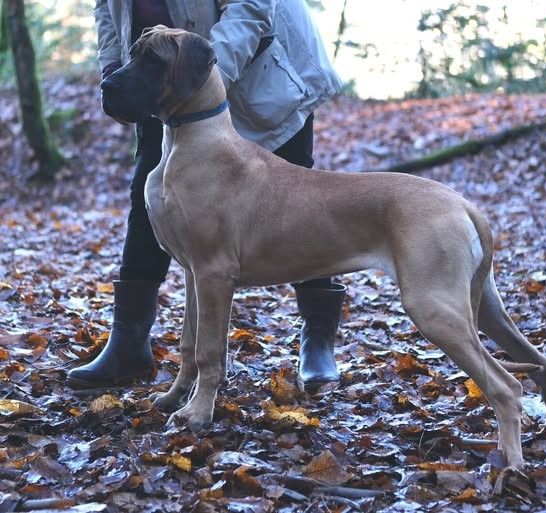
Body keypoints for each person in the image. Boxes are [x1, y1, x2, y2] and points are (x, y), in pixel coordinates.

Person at [66, 0, 346, 392]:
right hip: (162, 76)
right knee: (151, 193)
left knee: (300, 202)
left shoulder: (202, 75)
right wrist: (115, 66)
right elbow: (106, 9)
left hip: (258, 71)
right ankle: (129, 340)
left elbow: (249, 9)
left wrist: (203, 85)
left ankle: (318, 340)